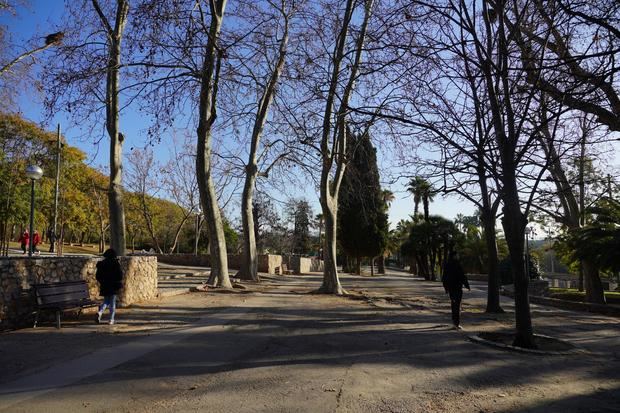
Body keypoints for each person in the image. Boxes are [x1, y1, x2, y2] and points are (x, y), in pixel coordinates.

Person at [442, 249, 470, 330]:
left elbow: (444, 278)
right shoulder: (457, 264)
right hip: (457, 288)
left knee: (454, 305)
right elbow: (462, 276)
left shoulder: (447, 265)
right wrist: (467, 285)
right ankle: (456, 323)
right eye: (457, 255)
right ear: (454, 256)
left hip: (451, 289)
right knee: (457, 305)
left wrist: (446, 288)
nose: (458, 256)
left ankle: (455, 322)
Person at [95, 248, 123, 325]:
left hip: (104, 286)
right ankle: (111, 319)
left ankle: (100, 312)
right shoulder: (115, 264)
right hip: (113, 286)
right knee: (112, 303)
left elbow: (98, 276)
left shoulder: (102, 264)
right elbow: (120, 276)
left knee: (106, 301)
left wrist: (102, 281)